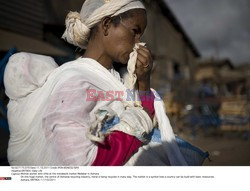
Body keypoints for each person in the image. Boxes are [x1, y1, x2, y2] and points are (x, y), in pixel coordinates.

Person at [4, 0, 208, 166]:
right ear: (107, 25)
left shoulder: (109, 78)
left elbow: (142, 113)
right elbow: (81, 164)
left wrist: (144, 80)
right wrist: (138, 120)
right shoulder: (76, 81)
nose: (139, 42)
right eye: (135, 31)